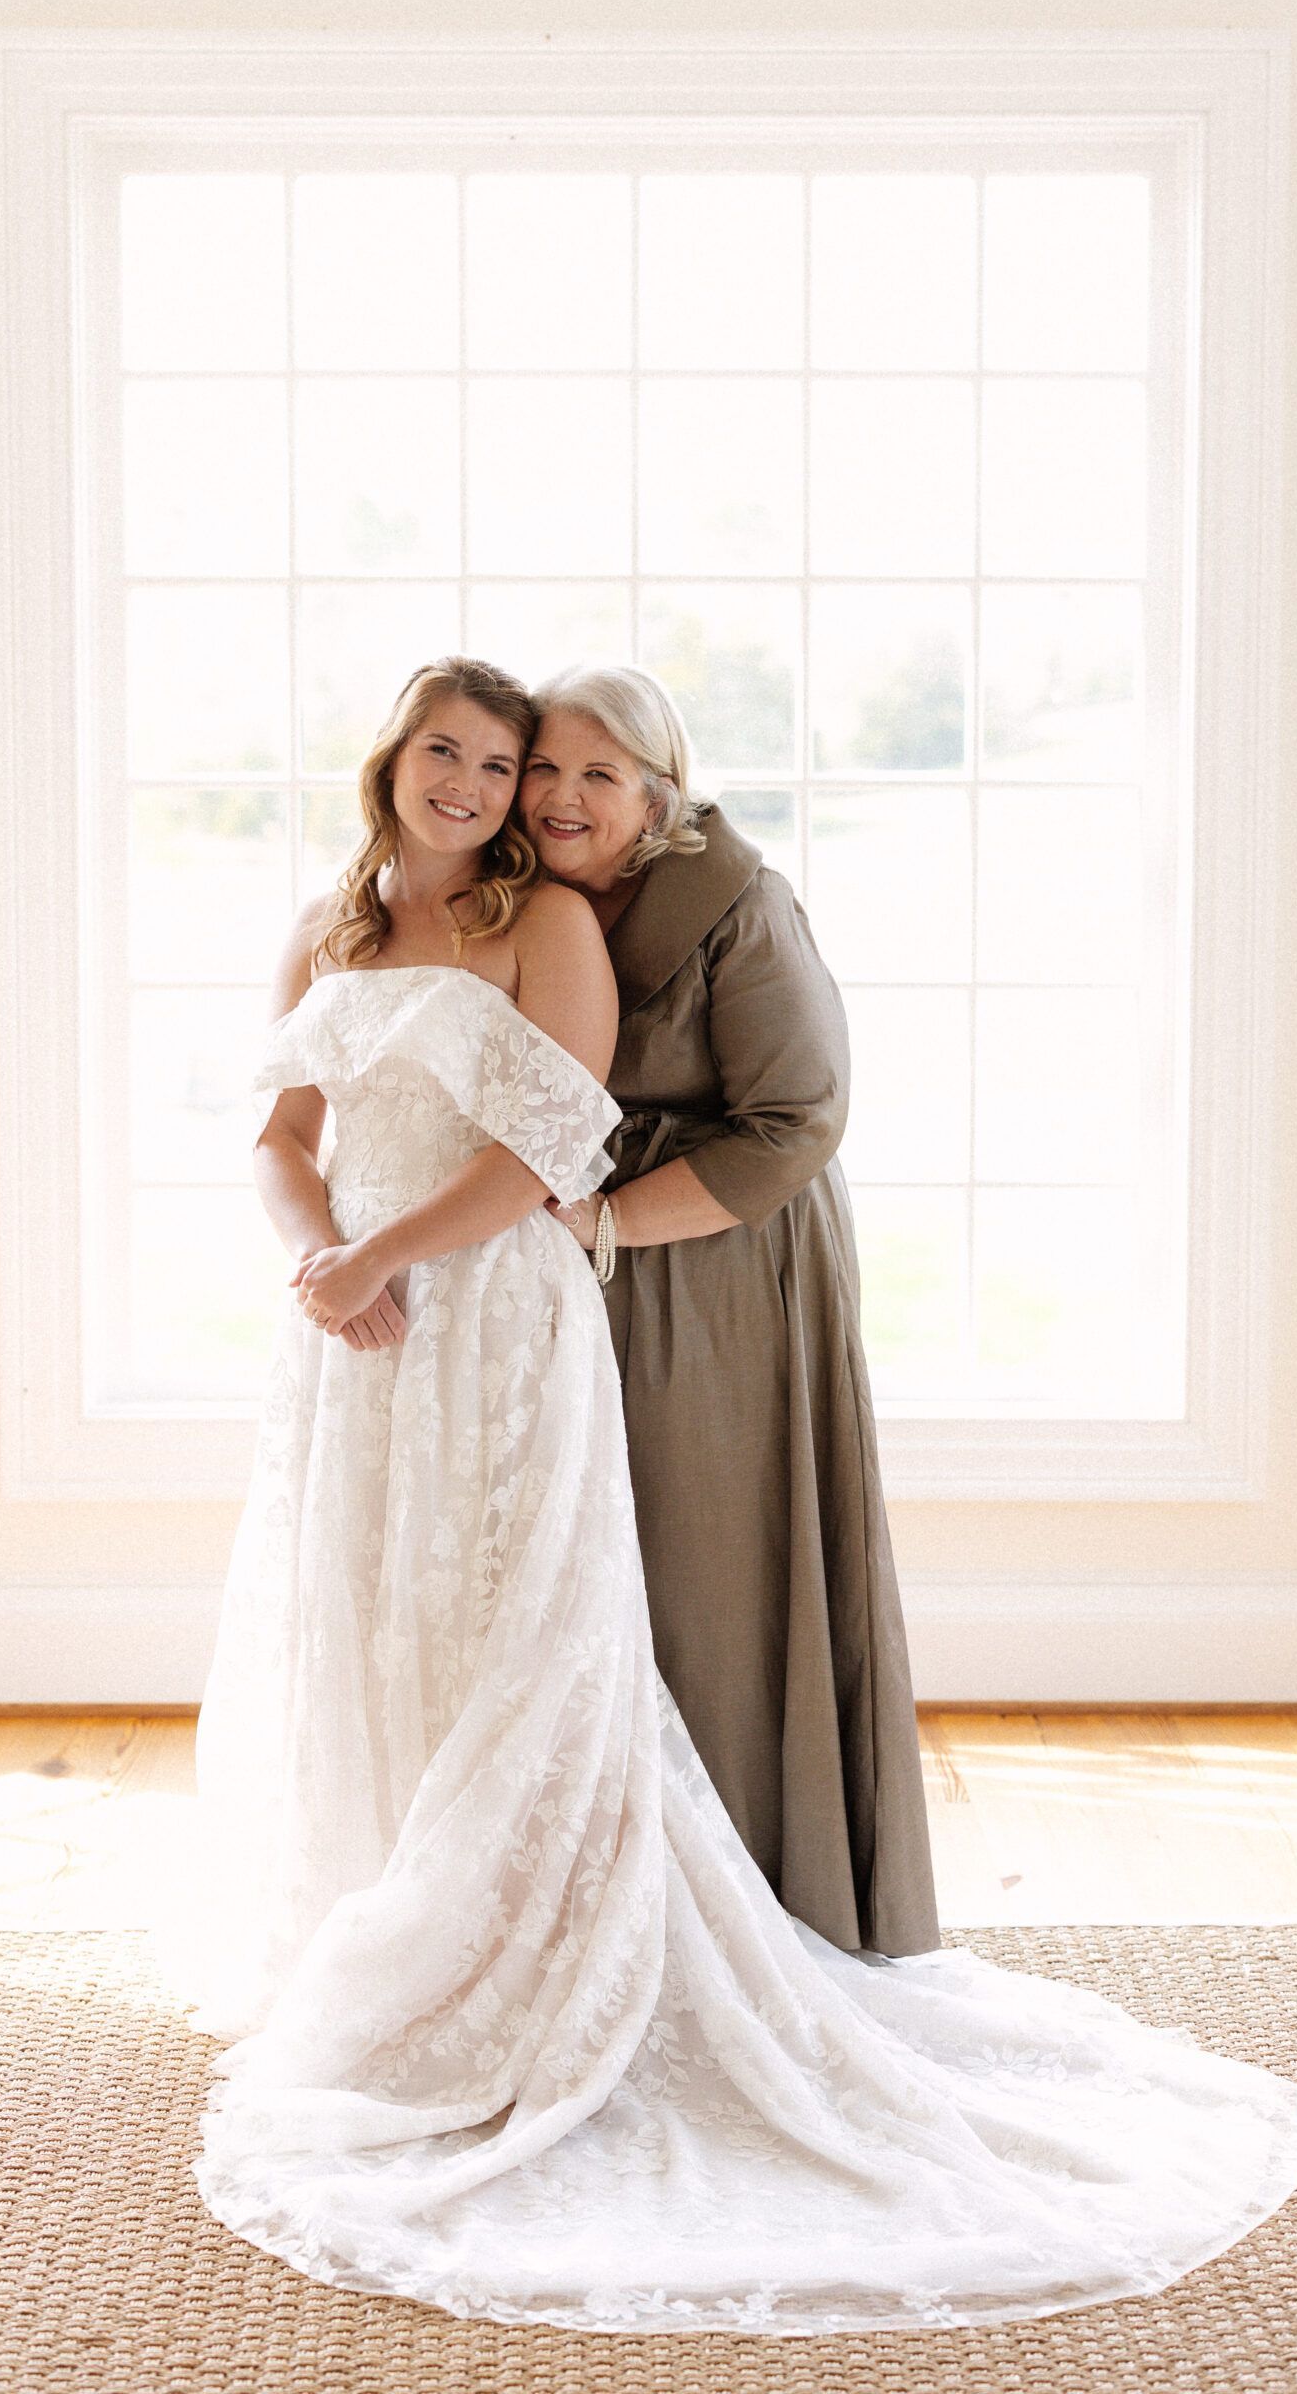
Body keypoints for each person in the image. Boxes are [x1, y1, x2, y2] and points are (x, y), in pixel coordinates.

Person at [157, 651, 1297, 2338]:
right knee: (375, 1614)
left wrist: (384, 1253)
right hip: (351, 1329)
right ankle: (384, 1927)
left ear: (651, 788)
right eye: (463, 757)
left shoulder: (557, 923)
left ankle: (551, 1968)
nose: (501, 791)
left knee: (528, 1636)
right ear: (390, 762)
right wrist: (318, 1264)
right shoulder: (331, 925)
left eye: (539, 768)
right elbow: (279, 1132)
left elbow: (567, 1141)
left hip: (497, 1295)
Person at [521, 662, 936, 1958]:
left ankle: (751, 1911)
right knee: (591, 1583)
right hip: (584, 1269)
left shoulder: (738, 905)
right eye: (542, 768)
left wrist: (610, 1222)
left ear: (658, 792)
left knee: (710, 1578)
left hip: (718, 1272)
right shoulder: (530, 901)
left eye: (599, 774)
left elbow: (797, 1117)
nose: (561, 797)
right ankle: (595, 1915)